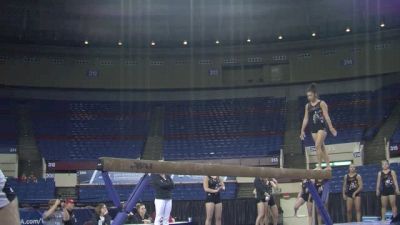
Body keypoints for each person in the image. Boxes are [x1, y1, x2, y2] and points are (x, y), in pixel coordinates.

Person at [300, 83, 337, 170]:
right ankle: (328, 166)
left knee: (317, 146)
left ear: (315, 94)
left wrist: (331, 128)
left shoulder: (321, 103)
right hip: (313, 128)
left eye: (310, 95)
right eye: (307, 96)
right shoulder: (307, 106)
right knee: (321, 147)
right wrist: (302, 130)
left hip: (322, 127)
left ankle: (319, 166)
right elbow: (305, 118)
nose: (309, 97)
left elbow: (326, 116)